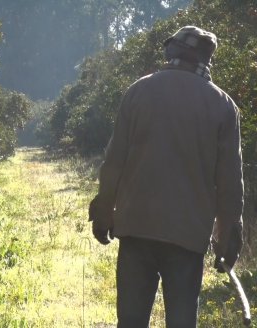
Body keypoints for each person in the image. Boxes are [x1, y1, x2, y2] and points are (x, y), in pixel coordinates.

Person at [88, 26, 244, 328]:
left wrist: (104, 210)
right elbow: (229, 182)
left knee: (131, 321)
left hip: (136, 227)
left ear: (171, 52)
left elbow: (114, 161)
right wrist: (227, 234)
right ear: (206, 58)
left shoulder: (139, 91)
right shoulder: (223, 106)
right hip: (186, 236)